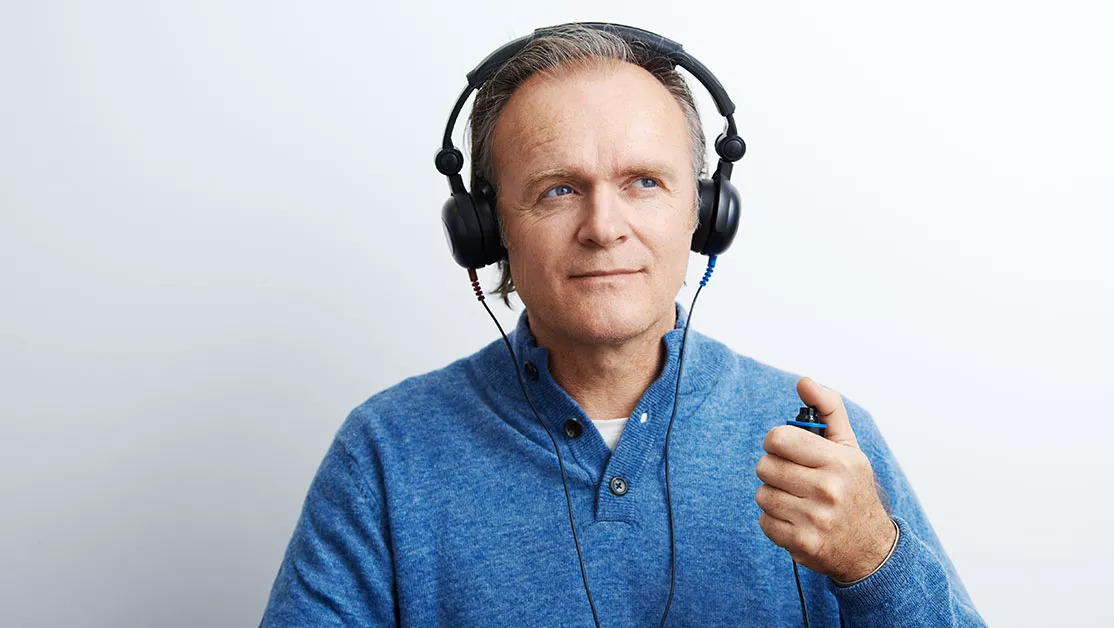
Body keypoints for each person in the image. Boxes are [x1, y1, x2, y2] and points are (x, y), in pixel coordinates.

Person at [260, 23, 985, 627]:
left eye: (644, 182)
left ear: (703, 213)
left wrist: (874, 562)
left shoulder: (822, 443)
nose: (604, 228)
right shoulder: (386, 452)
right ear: (488, 227)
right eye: (559, 189)